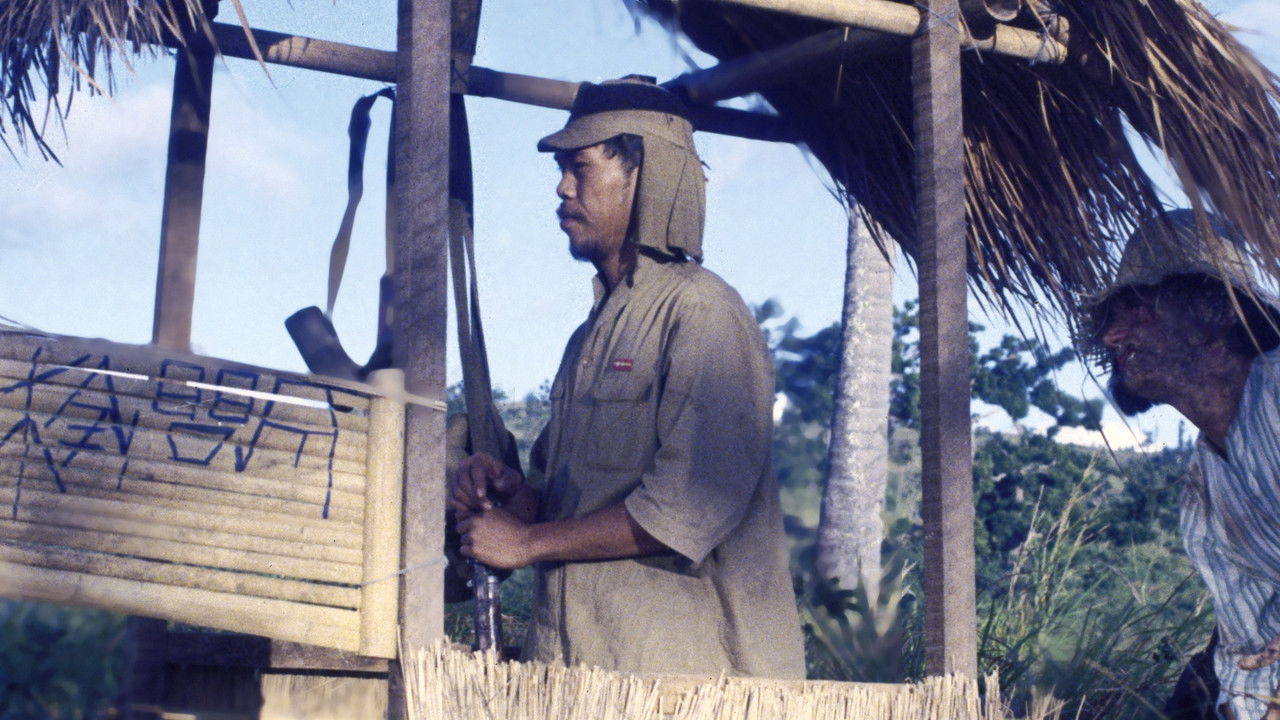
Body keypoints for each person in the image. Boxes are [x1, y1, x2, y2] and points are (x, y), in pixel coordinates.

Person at [448, 78, 806, 678]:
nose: (562, 187)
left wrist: (526, 544)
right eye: (561, 170)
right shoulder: (587, 338)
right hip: (588, 678)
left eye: (580, 168)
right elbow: (567, 508)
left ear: (643, 177)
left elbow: (683, 508)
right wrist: (514, 498)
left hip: (693, 689)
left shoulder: (703, 313)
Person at [1081, 209, 1280, 720]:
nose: (1112, 337)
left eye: (1136, 309)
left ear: (1215, 307)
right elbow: (1248, 642)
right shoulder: (1205, 478)